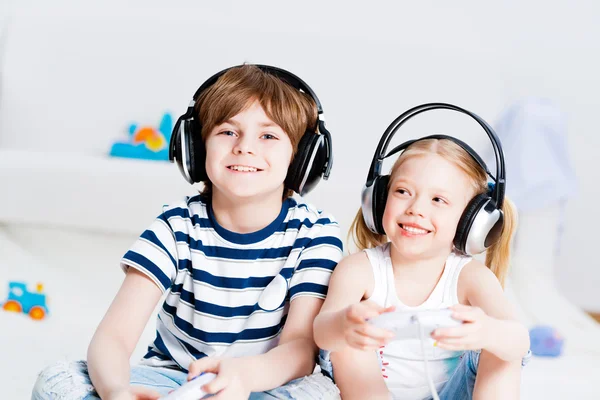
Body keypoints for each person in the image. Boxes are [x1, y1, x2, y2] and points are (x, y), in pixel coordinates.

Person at [32, 64, 343, 400]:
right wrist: (118, 392)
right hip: (174, 380)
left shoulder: (316, 234)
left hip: (264, 383)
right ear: (196, 147)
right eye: (227, 132)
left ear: (303, 159)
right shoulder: (176, 225)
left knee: (319, 393)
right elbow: (114, 337)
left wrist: (241, 377)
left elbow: (299, 349)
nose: (244, 147)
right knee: (57, 382)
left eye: (268, 136)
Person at [313, 105, 530, 400]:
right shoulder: (358, 270)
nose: (416, 209)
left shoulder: (471, 277)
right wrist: (344, 324)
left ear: (473, 221)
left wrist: (488, 332)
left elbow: (520, 340)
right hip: (368, 392)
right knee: (348, 341)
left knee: (503, 349)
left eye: (438, 199)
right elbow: (322, 333)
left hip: (453, 393)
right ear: (378, 200)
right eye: (402, 191)